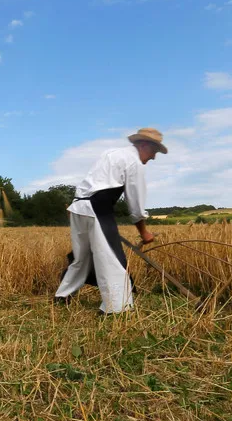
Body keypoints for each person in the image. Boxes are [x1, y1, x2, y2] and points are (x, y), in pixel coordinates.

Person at [54, 128, 167, 314]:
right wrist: (144, 232)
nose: (153, 157)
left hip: (78, 207)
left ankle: (62, 295)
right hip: (98, 209)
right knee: (111, 259)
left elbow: (90, 182)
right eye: (154, 152)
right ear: (144, 144)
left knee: (82, 258)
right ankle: (117, 308)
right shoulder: (134, 163)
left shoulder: (111, 154)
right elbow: (136, 204)